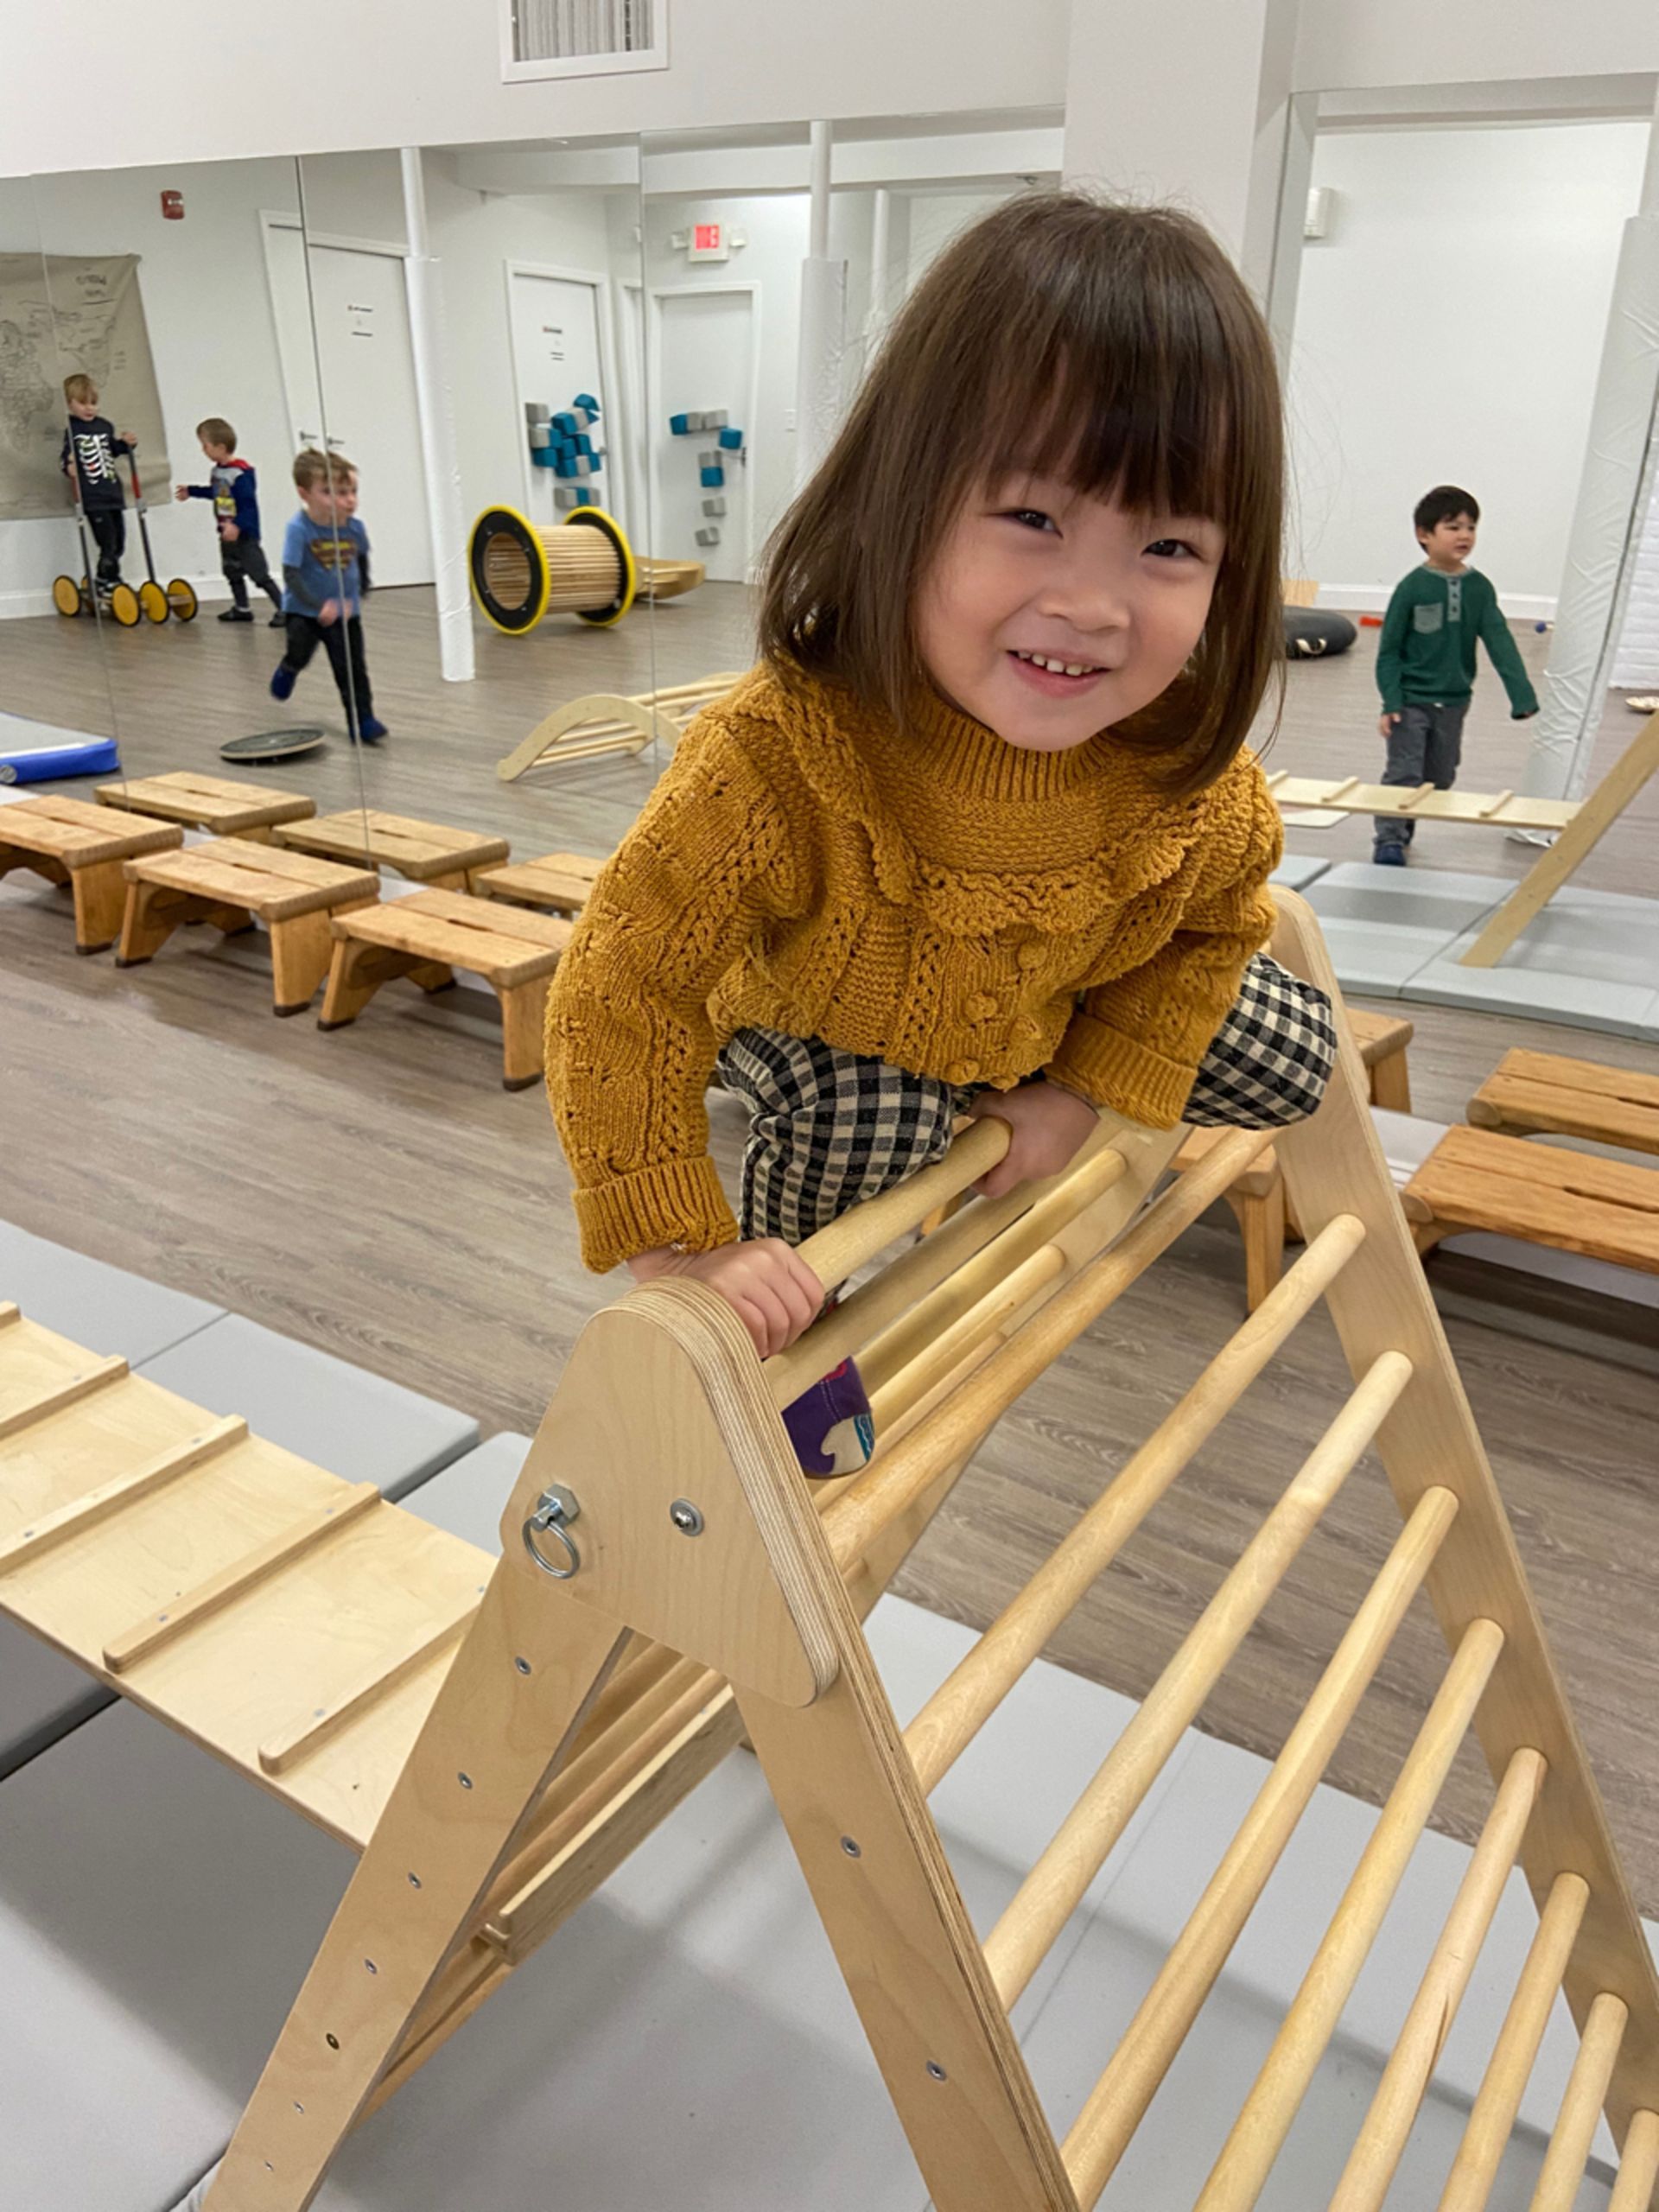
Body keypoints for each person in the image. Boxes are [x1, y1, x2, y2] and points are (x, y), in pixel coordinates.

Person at [545, 192, 1337, 1474]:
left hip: (1044, 1002)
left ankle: (1037, 1072)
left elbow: (1210, 928)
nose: (1091, 603)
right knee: (870, 1132)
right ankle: (808, 1407)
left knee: (1298, 1050)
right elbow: (624, 985)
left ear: (1231, 574)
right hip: (829, 1015)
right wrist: (683, 1247)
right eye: (1032, 518)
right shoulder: (780, 756)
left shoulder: (1197, 784)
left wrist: (1083, 1093)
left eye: (1170, 545)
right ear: (899, 501)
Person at [1372, 486, 1539, 865]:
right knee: (1403, 774)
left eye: (1471, 527)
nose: (1464, 535)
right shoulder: (1411, 588)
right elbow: (1389, 651)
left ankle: (1407, 814)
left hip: (1453, 702)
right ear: (1424, 534)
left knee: (1440, 778)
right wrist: (1391, 700)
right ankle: (1389, 839)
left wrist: (1522, 697)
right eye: (1453, 527)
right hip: (1410, 701)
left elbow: (1501, 643)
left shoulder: (1479, 590)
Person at [270, 448, 386, 743]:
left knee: (352, 669)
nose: (348, 500)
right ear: (304, 494)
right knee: (300, 653)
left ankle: (363, 720)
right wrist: (317, 605)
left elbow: (361, 559)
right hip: (304, 613)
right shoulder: (299, 529)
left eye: (351, 492)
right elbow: (291, 574)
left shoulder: (355, 528)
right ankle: (289, 668)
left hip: (345, 615)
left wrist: (360, 592)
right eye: (332, 492)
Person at [175, 417, 284, 625]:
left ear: (220, 447)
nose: (203, 450)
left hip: (244, 535)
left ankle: (285, 609)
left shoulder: (240, 474)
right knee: (232, 571)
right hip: (225, 532)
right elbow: (217, 493)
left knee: (259, 574)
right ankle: (242, 608)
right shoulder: (218, 472)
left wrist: (237, 525)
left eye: (205, 445)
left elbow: (248, 505)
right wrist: (192, 491)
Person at [59, 373, 136, 595]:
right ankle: (108, 580)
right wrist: (68, 466)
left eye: (93, 403)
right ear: (70, 404)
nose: (89, 408)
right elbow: (66, 457)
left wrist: (127, 444)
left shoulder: (105, 426)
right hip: (93, 498)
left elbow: (113, 449)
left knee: (119, 542)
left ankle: (107, 577)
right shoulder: (72, 430)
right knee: (107, 541)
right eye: (82, 403)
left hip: (113, 494)